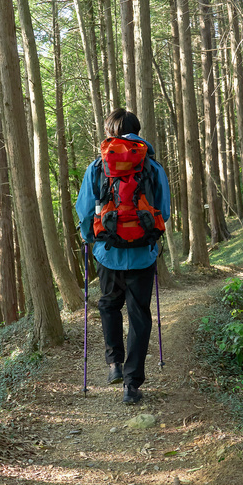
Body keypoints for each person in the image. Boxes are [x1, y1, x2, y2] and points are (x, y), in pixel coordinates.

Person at [76, 108, 171, 404]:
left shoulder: (98, 166)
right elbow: (164, 210)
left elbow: (85, 211)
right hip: (143, 253)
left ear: (109, 132)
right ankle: (132, 384)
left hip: (108, 252)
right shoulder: (152, 166)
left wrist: (90, 239)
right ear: (137, 132)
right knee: (139, 315)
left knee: (108, 305)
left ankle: (114, 363)